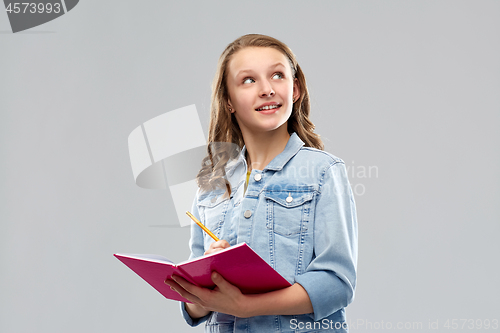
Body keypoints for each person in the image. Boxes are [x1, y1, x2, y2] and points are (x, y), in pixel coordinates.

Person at [165, 34, 358, 333]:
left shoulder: (323, 171)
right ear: (228, 100)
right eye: (248, 81)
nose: (267, 89)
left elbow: (337, 283)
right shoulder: (211, 185)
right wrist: (206, 279)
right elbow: (194, 307)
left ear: (295, 89)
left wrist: (247, 306)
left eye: (277, 75)